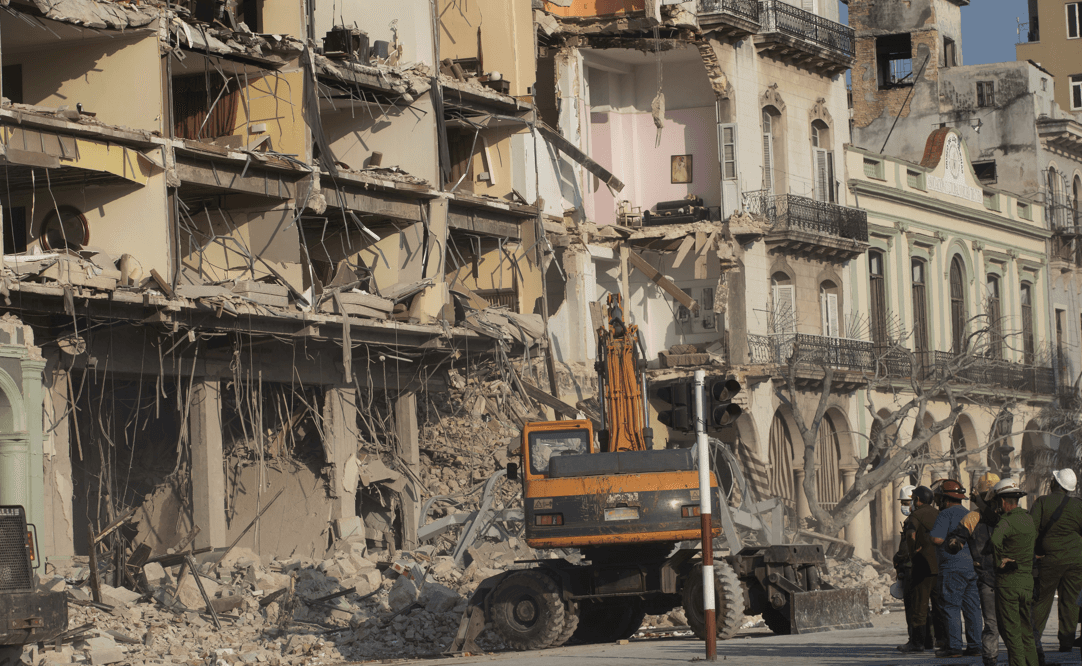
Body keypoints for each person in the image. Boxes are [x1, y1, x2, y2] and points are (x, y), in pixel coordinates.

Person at [1029, 468, 1082, 660]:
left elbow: (1032, 530)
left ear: (1056, 484)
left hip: (1049, 560)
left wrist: (1034, 554)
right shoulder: (1078, 506)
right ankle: (1067, 644)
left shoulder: (1042, 502)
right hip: (1076, 561)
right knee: (1070, 602)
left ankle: (1034, 640)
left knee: (1042, 600)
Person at [930, 479, 982, 658]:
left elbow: (936, 538)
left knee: (951, 607)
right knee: (972, 608)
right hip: (971, 568)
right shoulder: (969, 513)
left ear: (945, 499)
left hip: (952, 568)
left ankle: (954, 648)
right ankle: (975, 646)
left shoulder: (945, 515)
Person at [990, 478, 1039, 666]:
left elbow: (995, 541)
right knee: (1027, 631)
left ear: (1002, 502)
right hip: (1027, 583)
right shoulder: (1028, 519)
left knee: (1012, 634)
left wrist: (999, 560)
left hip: (1008, 584)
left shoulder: (1006, 521)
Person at [897, 485, 939, 653]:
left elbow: (910, 535)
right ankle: (940, 640)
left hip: (920, 567)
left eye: (911, 500)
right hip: (938, 566)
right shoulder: (938, 514)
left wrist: (912, 551)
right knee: (938, 607)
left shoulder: (916, 516)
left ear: (918, 500)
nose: (910, 504)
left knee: (919, 607)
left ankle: (917, 642)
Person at [970, 472, 1002, 666]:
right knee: (991, 623)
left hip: (1007, 576)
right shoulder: (973, 518)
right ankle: (990, 657)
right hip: (986, 577)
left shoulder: (1008, 516)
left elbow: (994, 520)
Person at [893, 484, 917, 649]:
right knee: (922, 606)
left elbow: (905, 548)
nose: (904, 506)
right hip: (917, 567)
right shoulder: (918, 519)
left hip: (910, 568)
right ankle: (927, 639)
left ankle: (916, 640)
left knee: (913, 606)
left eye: (906, 503)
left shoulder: (913, 521)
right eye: (902, 503)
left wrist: (897, 558)